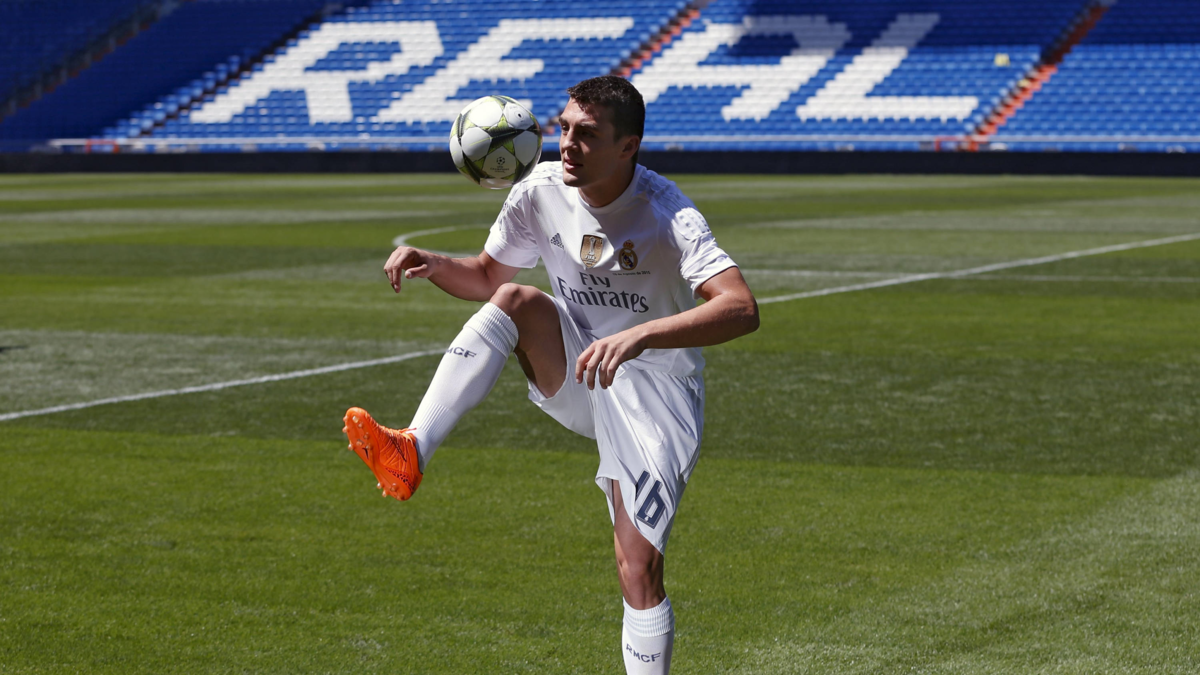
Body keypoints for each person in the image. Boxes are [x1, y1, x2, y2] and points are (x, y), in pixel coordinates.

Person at [342, 75, 758, 674]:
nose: (566, 143)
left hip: (655, 394)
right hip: (581, 368)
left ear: (628, 146)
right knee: (515, 298)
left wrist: (641, 335)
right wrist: (433, 263)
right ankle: (410, 448)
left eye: (586, 134)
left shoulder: (669, 213)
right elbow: (487, 277)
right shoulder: (537, 190)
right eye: (563, 128)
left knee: (637, 568)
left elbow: (741, 308)